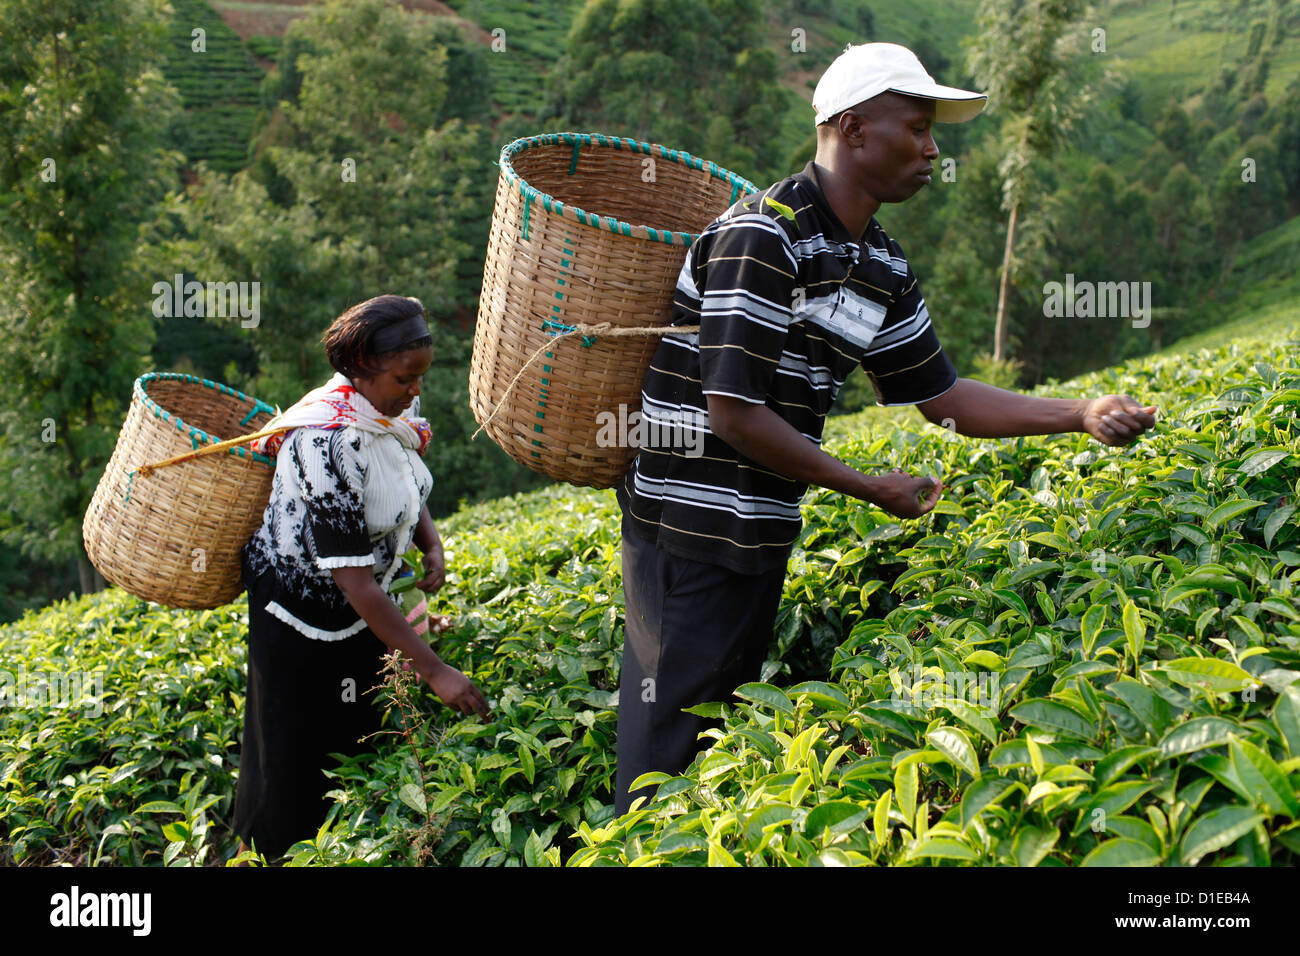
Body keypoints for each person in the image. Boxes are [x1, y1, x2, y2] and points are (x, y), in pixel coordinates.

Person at [613, 43, 1158, 814]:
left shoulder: (879, 264)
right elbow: (733, 413)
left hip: (760, 531)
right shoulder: (763, 238)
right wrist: (867, 487)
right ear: (854, 129)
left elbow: (940, 396)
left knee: (709, 750)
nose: (933, 149)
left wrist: (1080, 415)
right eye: (918, 127)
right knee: (657, 760)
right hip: (687, 533)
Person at [232, 294, 490, 860]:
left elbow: (403, 476)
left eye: (420, 376)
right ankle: (269, 851)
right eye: (405, 377)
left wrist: (430, 541)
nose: (415, 390)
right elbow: (353, 581)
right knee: (294, 755)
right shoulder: (323, 442)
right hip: (301, 614)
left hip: (361, 607)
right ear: (361, 368)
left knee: (355, 734)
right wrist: (435, 670)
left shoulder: (390, 411)